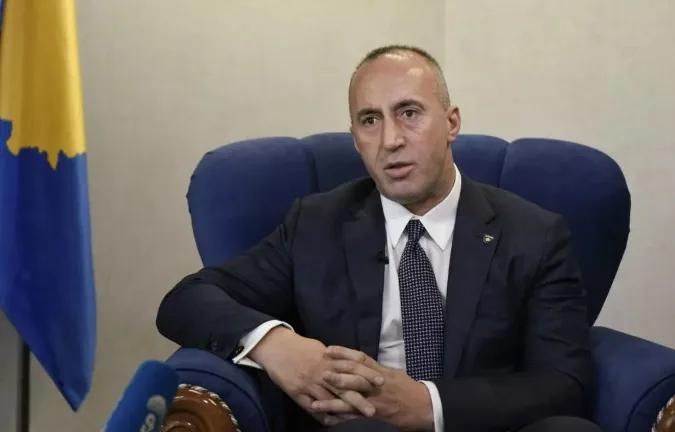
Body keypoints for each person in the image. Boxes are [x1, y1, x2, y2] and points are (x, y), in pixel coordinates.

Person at [156, 45, 602, 432]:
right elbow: (187, 299)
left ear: (451, 123)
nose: (390, 140)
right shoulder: (316, 224)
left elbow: (564, 382)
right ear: (356, 140)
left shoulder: (533, 234)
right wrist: (277, 346)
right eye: (370, 120)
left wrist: (427, 405)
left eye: (409, 113)